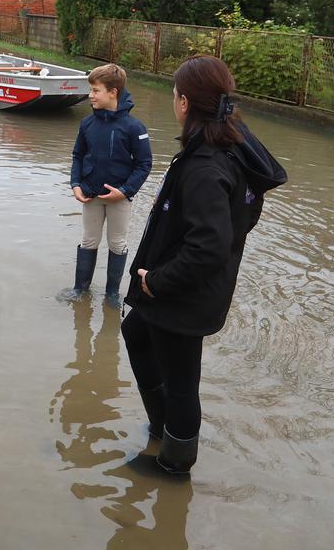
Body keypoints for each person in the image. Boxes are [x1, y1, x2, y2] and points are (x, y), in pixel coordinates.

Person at [122, 55, 286, 475]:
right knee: (135, 331)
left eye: (175, 94)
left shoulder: (206, 166)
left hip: (183, 293)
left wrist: (158, 282)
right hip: (186, 286)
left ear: (183, 103)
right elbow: (236, 224)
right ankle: (162, 427)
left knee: (181, 382)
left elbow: (209, 247)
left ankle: (176, 464)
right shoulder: (228, 146)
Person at [66, 63, 153, 306]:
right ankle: (80, 290)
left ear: (113, 92)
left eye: (95, 90)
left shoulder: (135, 128)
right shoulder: (87, 124)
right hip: (91, 195)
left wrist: (125, 191)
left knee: (117, 243)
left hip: (119, 198)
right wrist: (75, 184)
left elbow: (144, 164)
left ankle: (112, 294)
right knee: (89, 241)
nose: (90, 95)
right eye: (91, 90)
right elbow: (77, 156)